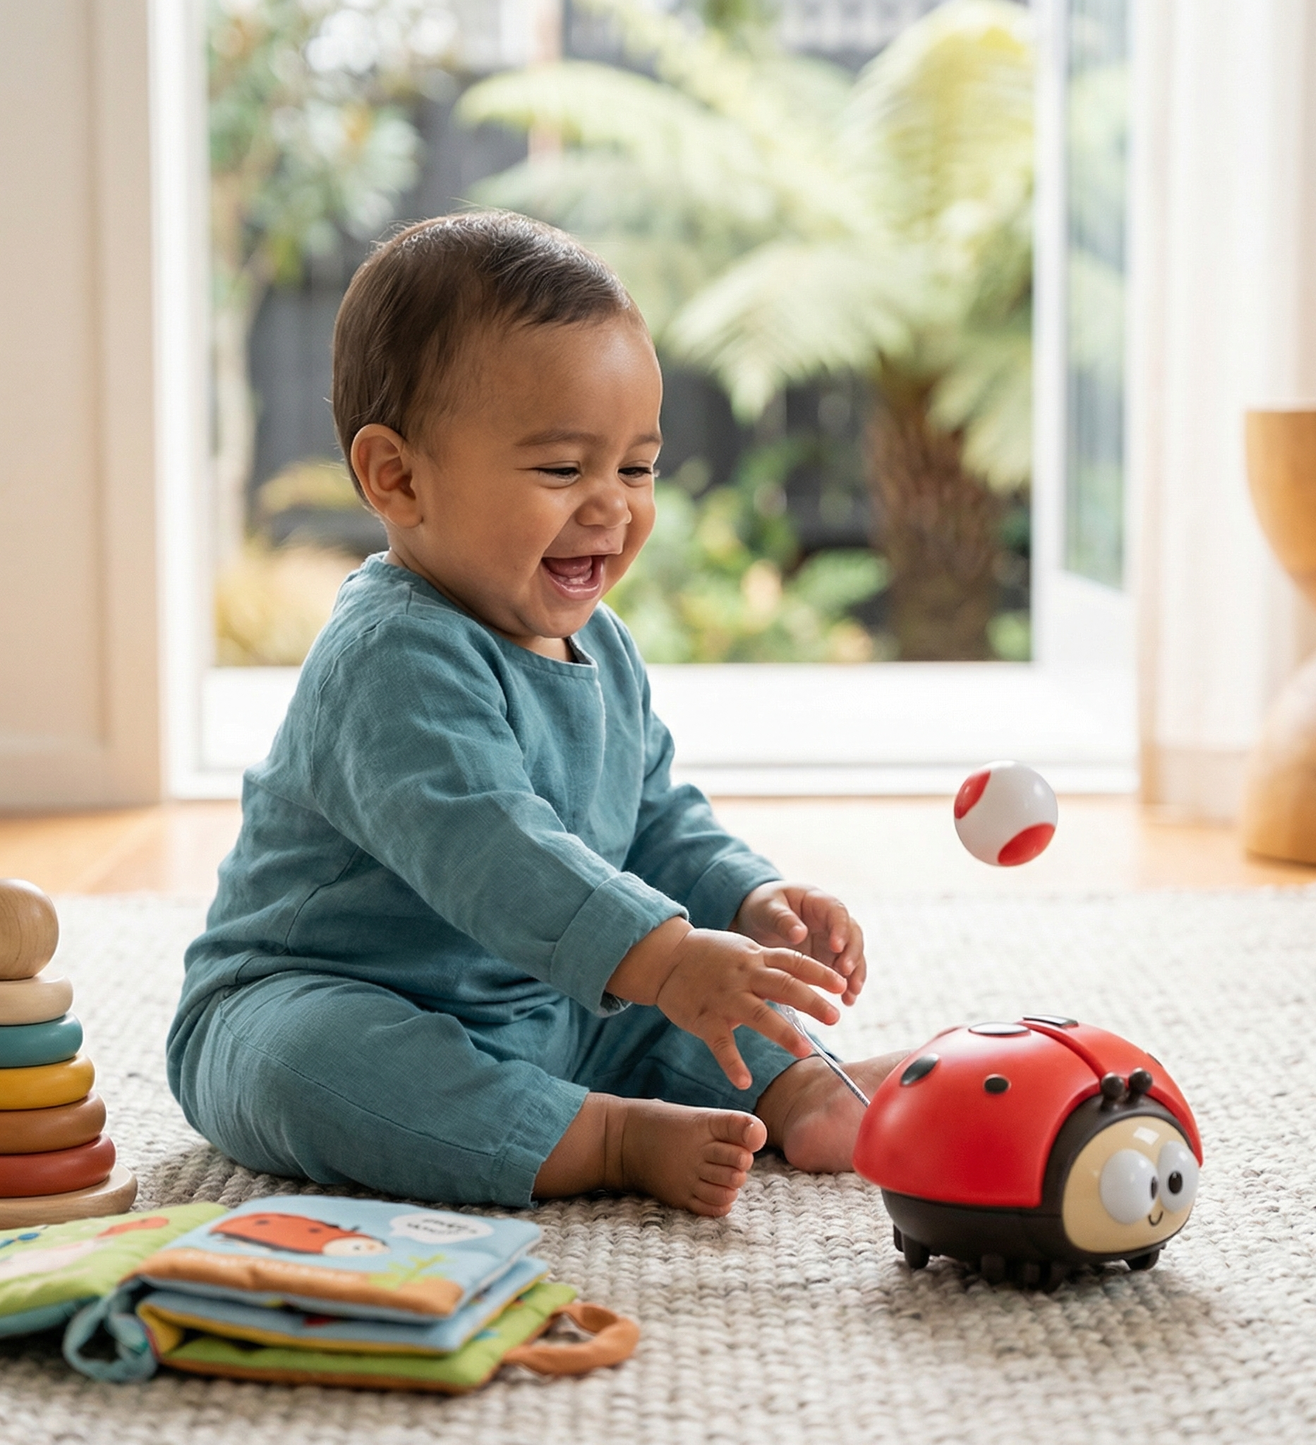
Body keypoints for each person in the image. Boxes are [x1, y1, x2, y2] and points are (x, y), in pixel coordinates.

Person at [168, 211, 904, 1217]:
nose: (610, 504)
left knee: (689, 1003)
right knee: (309, 1063)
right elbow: (492, 849)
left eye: (635, 467)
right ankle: (601, 1132)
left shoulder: (599, 644)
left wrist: (745, 898)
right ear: (398, 476)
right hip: (330, 992)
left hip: (552, 997)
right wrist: (666, 955)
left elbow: (650, 816)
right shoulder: (389, 655)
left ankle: (806, 1086)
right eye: (562, 469)